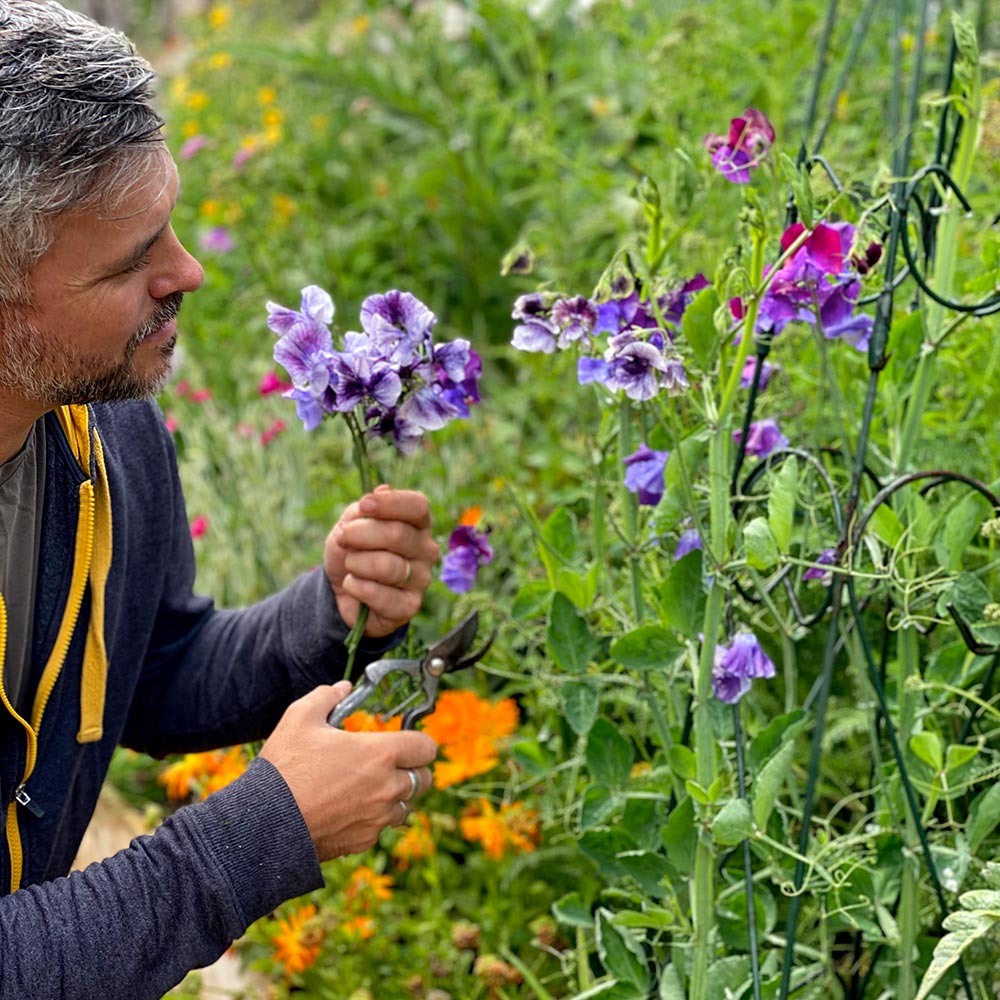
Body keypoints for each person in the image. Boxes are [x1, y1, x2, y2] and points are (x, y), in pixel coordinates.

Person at [0, 2, 441, 996]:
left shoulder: (99, 424)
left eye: (170, 226)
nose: (186, 272)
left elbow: (147, 676)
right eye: (130, 263)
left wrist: (326, 611)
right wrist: (254, 838)